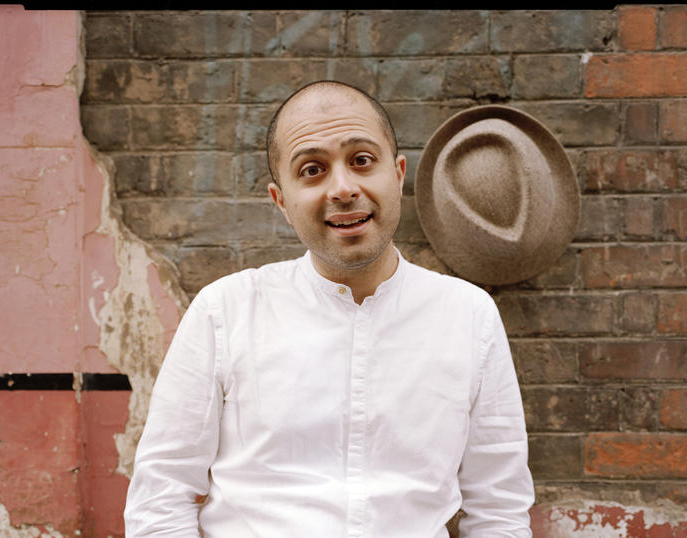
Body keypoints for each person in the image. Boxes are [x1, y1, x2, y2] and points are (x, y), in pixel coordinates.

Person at [124, 80, 534, 537]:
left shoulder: (468, 316)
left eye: (362, 161)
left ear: (397, 174)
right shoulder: (225, 311)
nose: (342, 189)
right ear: (281, 201)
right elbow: (160, 497)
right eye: (313, 169)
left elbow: (500, 507)